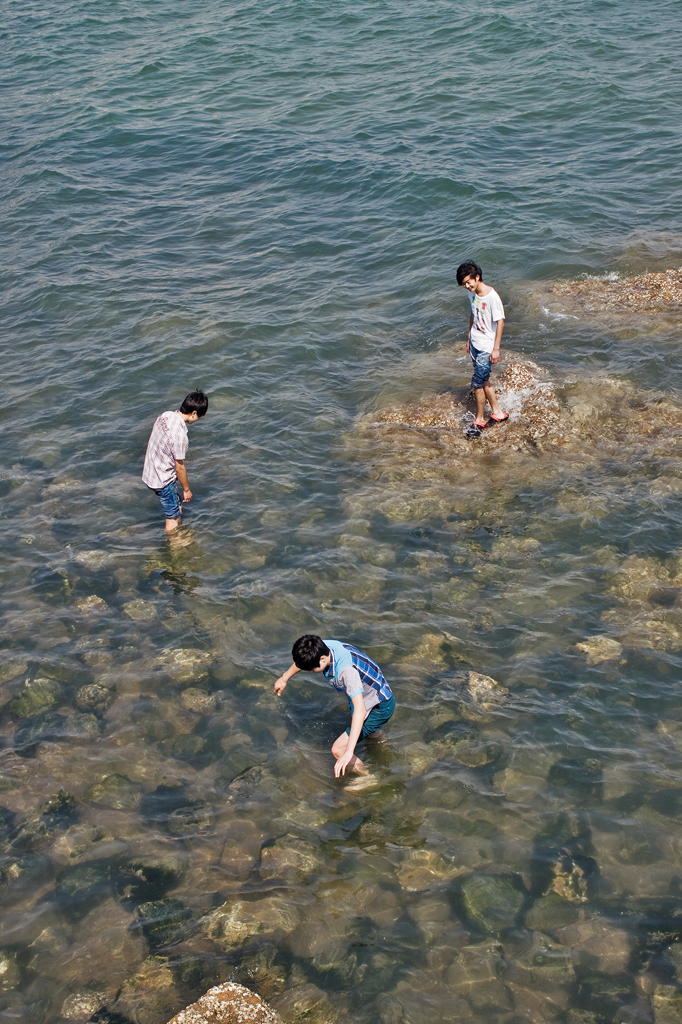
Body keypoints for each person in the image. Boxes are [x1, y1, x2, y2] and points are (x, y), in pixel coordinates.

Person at [274, 635, 395, 778]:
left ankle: (368, 778)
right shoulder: (322, 647)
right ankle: (382, 744)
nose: (310, 672)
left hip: (379, 707)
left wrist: (349, 751)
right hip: (375, 693)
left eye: (311, 670)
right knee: (372, 733)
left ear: (322, 660)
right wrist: (284, 678)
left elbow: (360, 710)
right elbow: (302, 662)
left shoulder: (346, 672)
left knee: (338, 749)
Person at [142, 391, 208, 532]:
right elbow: (180, 467)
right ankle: (174, 546)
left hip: (150, 471)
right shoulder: (180, 435)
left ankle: (179, 529)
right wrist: (186, 489)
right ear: (193, 413)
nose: (198, 420)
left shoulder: (165, 416)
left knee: (176, 503)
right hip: (163, 479)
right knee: (172, 516)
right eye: (199, 417)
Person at [456, 261, 508, 435]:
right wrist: (469, 336)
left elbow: (500, 322)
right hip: (475, 343)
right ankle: (498, 413)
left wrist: (496, 348)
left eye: (468, 282)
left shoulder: (492, 296)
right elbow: (473, 313)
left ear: (477, 277)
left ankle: (479, 420)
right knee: (484, 380)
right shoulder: (471, 294)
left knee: (477, 384)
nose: (467, 286)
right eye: (463, 284)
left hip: (486, 347)